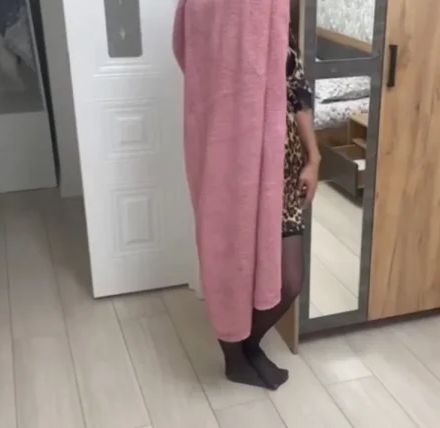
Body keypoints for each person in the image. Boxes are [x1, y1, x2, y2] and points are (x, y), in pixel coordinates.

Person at [172, 0, 320, 390]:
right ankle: (235, 359)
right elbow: (190, 59)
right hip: (231, 165)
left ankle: (249, 344)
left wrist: (314, 156)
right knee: (233, 262)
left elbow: (296, 85)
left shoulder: (273, 12)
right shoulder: (205, 8)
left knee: (290, 280)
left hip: (282, 166)